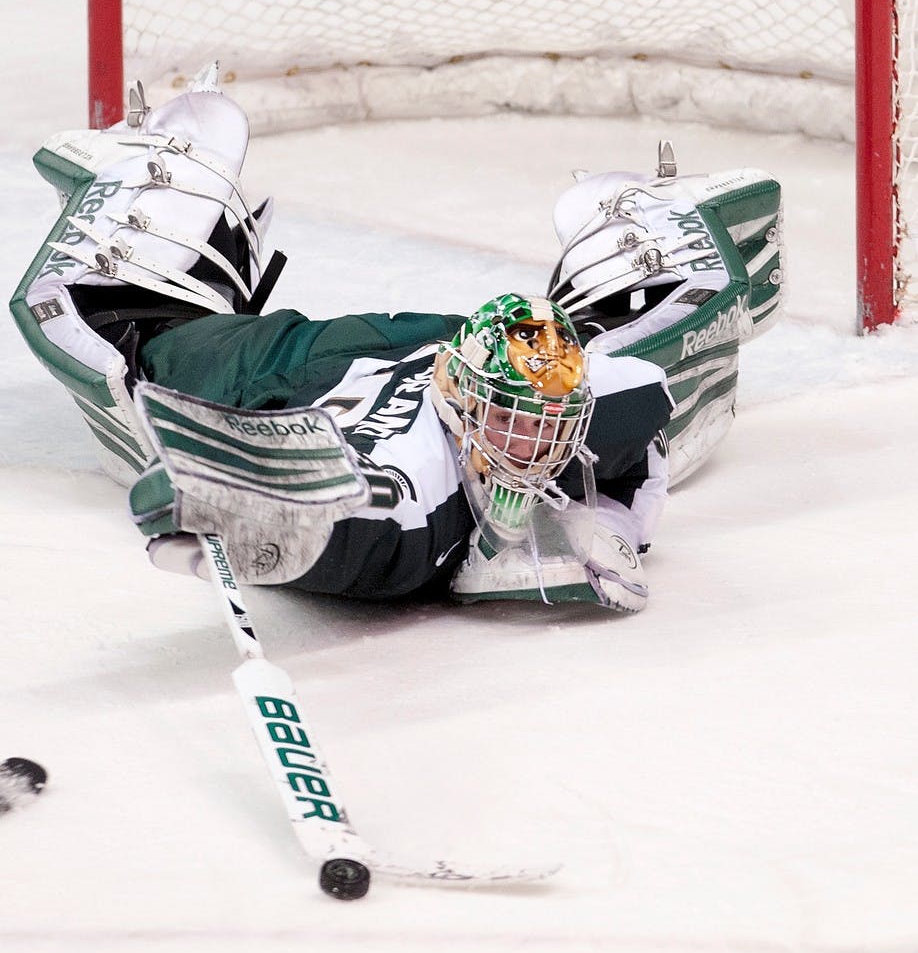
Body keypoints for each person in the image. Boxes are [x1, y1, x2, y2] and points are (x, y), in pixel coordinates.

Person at [9, 69, 782, 613]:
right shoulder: (473, 456)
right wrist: (613, 526)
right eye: (513, 417)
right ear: (461, 384)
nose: (530, 442)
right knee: (139, 337)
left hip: (300, 379)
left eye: (546, 421)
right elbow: (640, 412)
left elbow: (355, 523)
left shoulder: (438, 499)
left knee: (156, 351)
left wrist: (248, 510)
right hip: (381, 353)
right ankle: (163, 190)